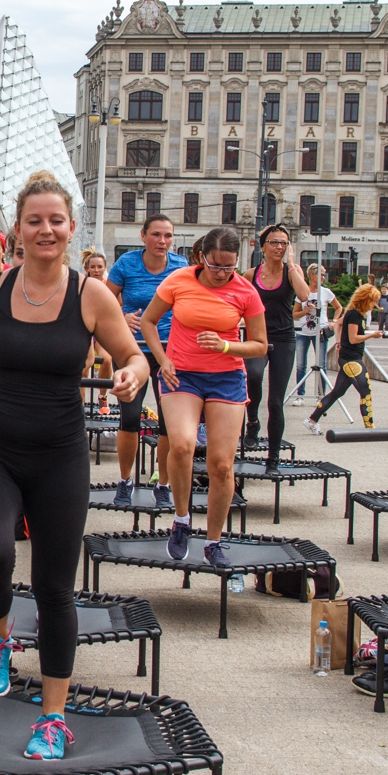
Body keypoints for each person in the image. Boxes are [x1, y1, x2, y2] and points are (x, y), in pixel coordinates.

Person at [0, 172, 145, 760]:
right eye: (34, 220)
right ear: (17, 229)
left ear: (71, 227)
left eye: (55, 220)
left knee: (55, 588)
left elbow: (129, 354)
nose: (45, 230)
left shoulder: (91, 295)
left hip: (61, 455)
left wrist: (131, 373)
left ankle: (53, 718)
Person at [141, 226, 267, 569]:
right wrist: (163, 358)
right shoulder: (179, 281)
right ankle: (181, 520)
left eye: (230, 266)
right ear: (202, 258)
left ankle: (214, 541)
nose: (223, 273)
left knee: (221, 465)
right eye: (216, 266)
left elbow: (260, 344)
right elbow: (149, 322)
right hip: (182, 374)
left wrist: (227, 345)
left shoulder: (245, 291)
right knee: (181, 445)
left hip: (226, 378)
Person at [104, 215, 189, 505]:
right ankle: (125, 480)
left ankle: (162, 484)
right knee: (130, 417)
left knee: (168, 422)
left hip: (169, 351)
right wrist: (121, 316)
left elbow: (191, 303)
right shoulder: (127, 263)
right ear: (143, 236)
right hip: (133, 349)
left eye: (167, 235)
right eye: (156, 235)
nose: (162, 241)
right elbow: (102, 297)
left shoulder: (180, 267)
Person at [242, 225, 310, 467]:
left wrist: (292, 264)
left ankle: (273, 457)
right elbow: (238, 302)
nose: (279, 247)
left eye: (284, 243)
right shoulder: (251, 274)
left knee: (275, 401)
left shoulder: (292, 272)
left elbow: (304, 296)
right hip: (256, 337)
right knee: (253, 375)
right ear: (263, 246)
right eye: (274, 242)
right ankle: (252, 422)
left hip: (283, 340)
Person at [303, 284, 381, 433]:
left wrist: (338, 341)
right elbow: (353, 338)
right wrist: (372, 335)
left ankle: (312, 420)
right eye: (373, 301)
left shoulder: (354, 314)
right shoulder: (354, 315)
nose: (374, 305)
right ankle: (370, 427)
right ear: (365, 300)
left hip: (349, 358)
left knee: (337, 392)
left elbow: (338, 324)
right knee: (365, 390)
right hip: (351, 359)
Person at [293, 264, 335, 401]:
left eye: (324, 275)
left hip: (320, 331)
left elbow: (339, 307)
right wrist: (304, 312)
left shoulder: (326, 292)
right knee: (300, 365)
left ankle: (320, 395)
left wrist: (333, 321)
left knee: (321, 365)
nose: (323, 277)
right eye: (320, 274)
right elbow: (293, 314)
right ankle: (300, 395)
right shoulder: (303, 292)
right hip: (303, 332)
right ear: (312, 275)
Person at [82, 251, 113, 413]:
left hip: (101, 330)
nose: (96, 270)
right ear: (86, 268)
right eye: (92, 267)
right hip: (85, 330)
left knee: (107, 359)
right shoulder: (81, 285)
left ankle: (102, 396)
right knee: (83, 365)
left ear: (104, 268)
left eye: (99, 267)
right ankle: (80, 404)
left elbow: (119, 306)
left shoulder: (109, 286)